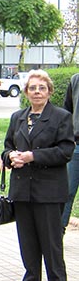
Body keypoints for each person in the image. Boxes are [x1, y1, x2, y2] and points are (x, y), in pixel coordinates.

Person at [2, 69, 73, 281]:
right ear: (26, 92)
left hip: (49, 188)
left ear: (49, 91)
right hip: (22, 188)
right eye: (32, 88)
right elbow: (6, 147)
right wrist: (11, 157)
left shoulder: (61, 117)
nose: (37, 92)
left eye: (42, 88)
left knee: (50, 238)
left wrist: (34, 156)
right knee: (27, 236)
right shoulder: (18, 118)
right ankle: (32, 276)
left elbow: (65, 151)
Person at [61, 72, 79, 229]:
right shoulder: (75, 80)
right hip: (77, 146)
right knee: (67, 191)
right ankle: (58, 231)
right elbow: (67, 110)